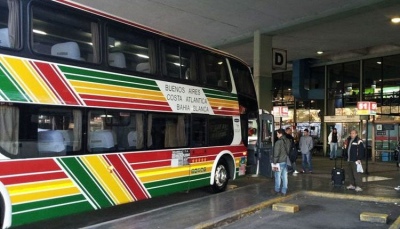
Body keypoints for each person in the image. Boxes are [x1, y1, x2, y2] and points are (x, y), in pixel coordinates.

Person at [272, 129, 291, 196]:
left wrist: (274, 162)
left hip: (279, 162)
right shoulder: (288, 141)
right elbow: (288, 151)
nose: (277, 135)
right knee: (285, 177)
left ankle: (277, 190)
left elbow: (276, 153)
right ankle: (284, 191)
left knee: (277, 176)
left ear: (280, 134)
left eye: (277, 134)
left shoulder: (278, 142)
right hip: (285, 161)